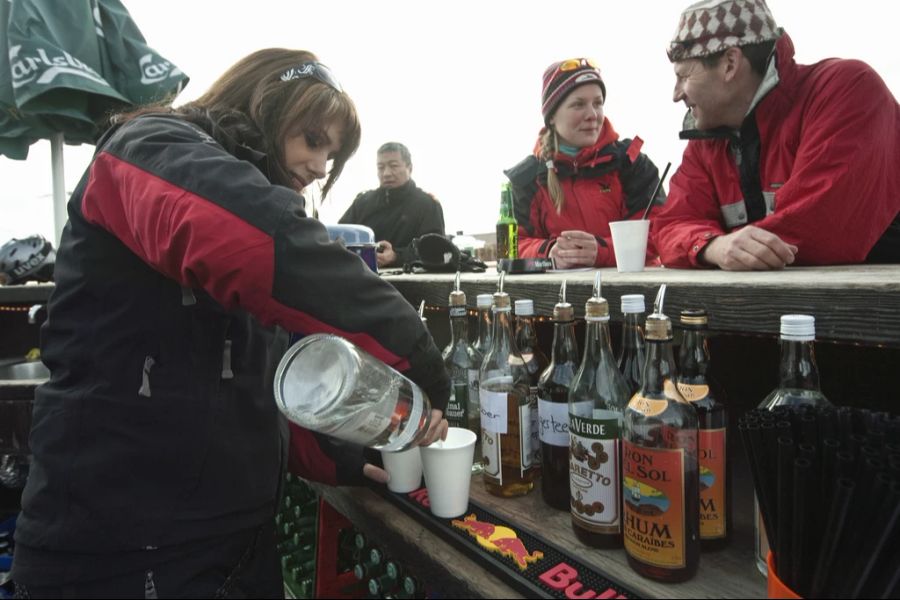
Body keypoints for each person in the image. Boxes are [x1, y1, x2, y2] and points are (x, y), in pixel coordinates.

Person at [11, 49, 449, 597]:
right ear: (264, 104)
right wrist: (412, 354)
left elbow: (244, 373)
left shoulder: (254, 200)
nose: (319, 167)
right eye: (314, 140)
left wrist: (335, 451)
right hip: (120, 545)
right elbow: (254, 241)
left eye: (331, 157)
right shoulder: (147, 148)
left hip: (232, 540)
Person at [653, 0, 900, 270]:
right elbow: (669, 226)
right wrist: (713, 246)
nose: (676, 94)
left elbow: (819, 226)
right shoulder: (708, 141)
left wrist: (723, 246)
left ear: (730, 64)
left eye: (684, 76)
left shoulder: (847, 90)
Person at [504, 58, 665, 270]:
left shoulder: (632, 164)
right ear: (551, 116)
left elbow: (660, 233)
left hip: (633, 296)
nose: (592, 115)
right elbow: (509, 248)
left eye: (598, 103)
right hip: (557, 300)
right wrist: (549, 252)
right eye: (578, 104)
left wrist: (601, 251)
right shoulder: (527, 178)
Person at [339, 142, 445, 268]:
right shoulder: (362, 203)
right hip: (363, 278)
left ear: (409, 168)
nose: (386, 173)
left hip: (411, 282)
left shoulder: (427, 205)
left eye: (393, 166)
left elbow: (436, 250)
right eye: (381, 167)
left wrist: (397, 256)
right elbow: (338, 238)